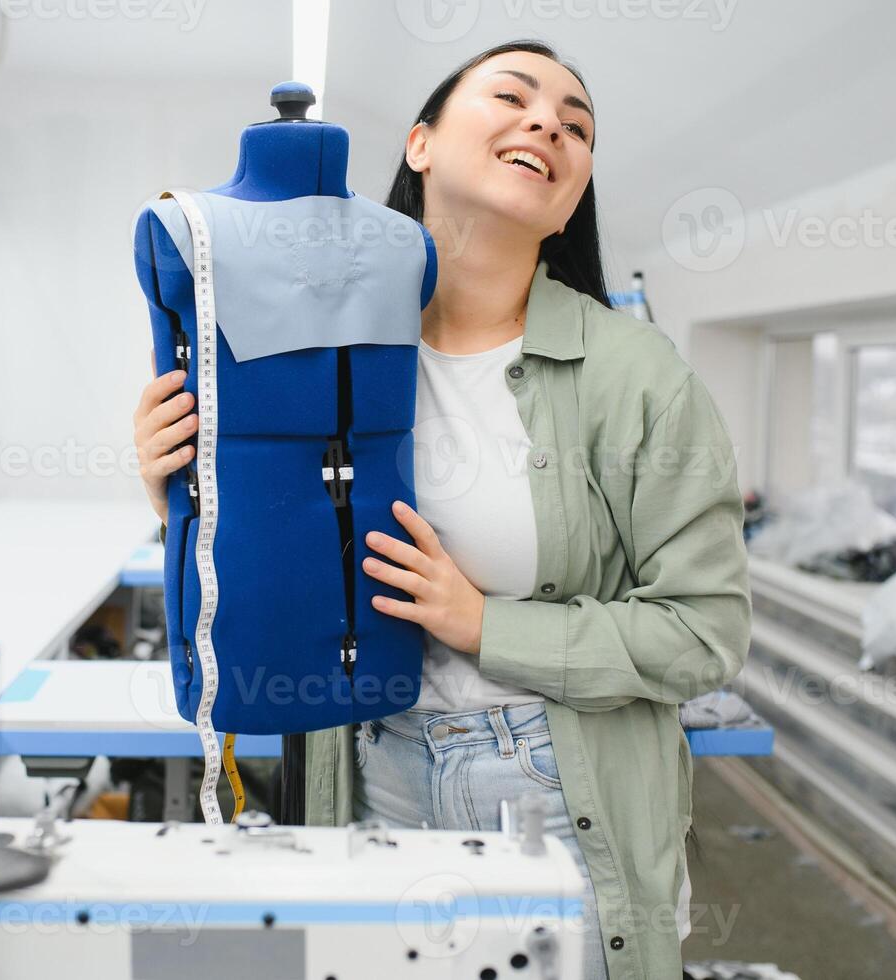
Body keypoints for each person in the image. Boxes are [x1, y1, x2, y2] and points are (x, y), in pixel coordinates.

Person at [131, 41, 751, 980]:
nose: (548, 122)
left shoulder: (639, 379)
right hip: (370, 774)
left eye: (575, 125)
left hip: (556, 797)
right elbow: (275, 579)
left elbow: (705, 635)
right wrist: (177, 494)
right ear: (418, 144)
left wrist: (484, 625)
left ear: (573, 188)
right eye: (512, 95)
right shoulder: (316, 359)